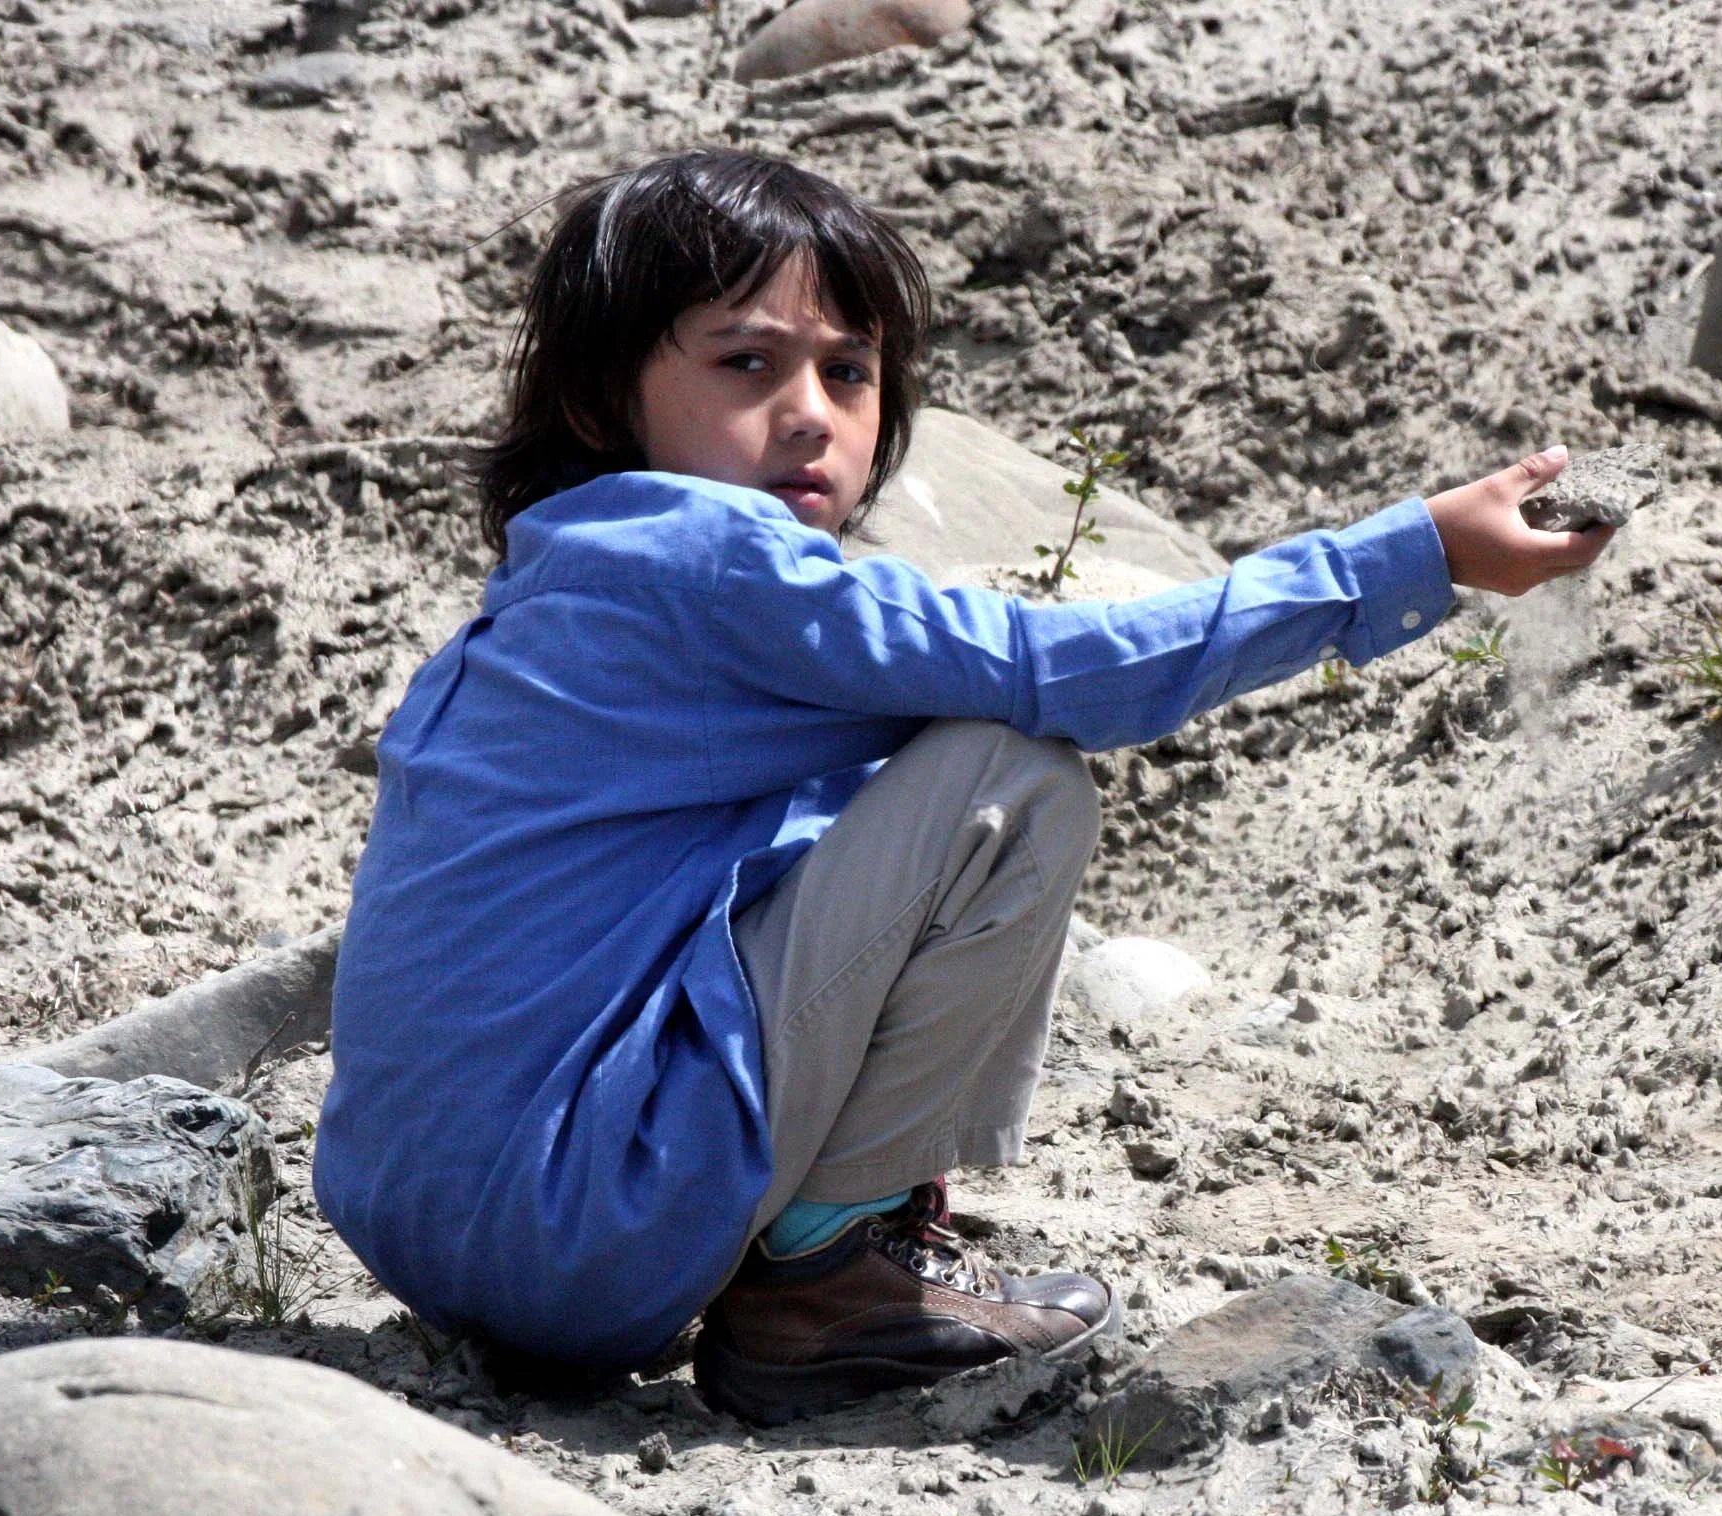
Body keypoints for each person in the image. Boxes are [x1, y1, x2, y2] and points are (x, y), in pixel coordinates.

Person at [314, 149, 1614, 1425]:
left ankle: (809, 1243)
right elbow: (1062, 675)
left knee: (865, 791)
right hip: (577, 1230)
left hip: (419, 1234)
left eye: (850, 371)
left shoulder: (552, 592)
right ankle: (830, 1276)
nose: (811, 410)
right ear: (605, 400)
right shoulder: (714, 559)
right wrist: (1411, 554)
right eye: (748, 362)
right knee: (1012, 778)